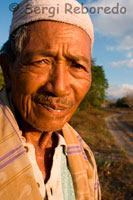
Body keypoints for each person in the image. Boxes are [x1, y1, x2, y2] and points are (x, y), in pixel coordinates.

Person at [0, 0, 101, 199]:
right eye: (41, 61)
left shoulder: (83, 155)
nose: (59, 87)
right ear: (8, 70)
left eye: (78, 66)